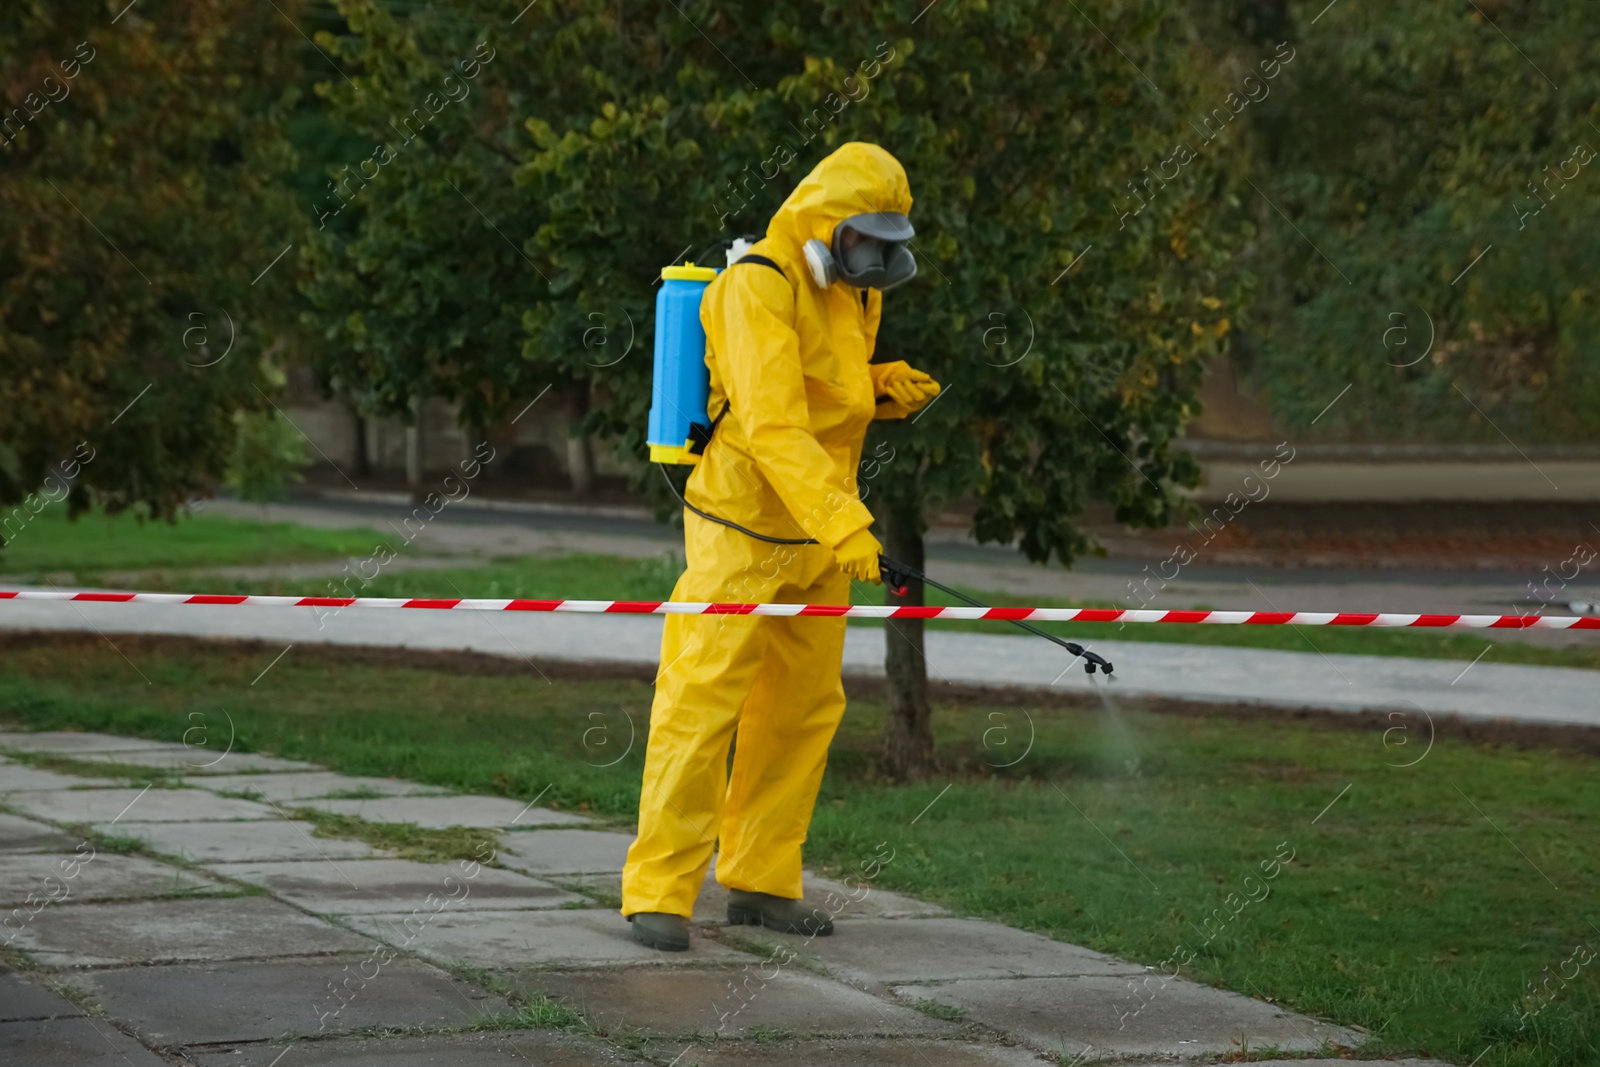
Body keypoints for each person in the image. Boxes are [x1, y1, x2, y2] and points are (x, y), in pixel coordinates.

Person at [622, 142, 941, 951]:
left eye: (886, 237)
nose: (877, 253)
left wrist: (879, 387)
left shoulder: (852, 295)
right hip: (740, 531)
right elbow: (770, 422)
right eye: (865, 234)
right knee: (701, 706)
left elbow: (818, 389)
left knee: (800, 712)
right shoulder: (754, 285)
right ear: (824, 219)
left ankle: (762, 880)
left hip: (816, 536)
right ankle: (658, 889)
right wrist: (847, 522)